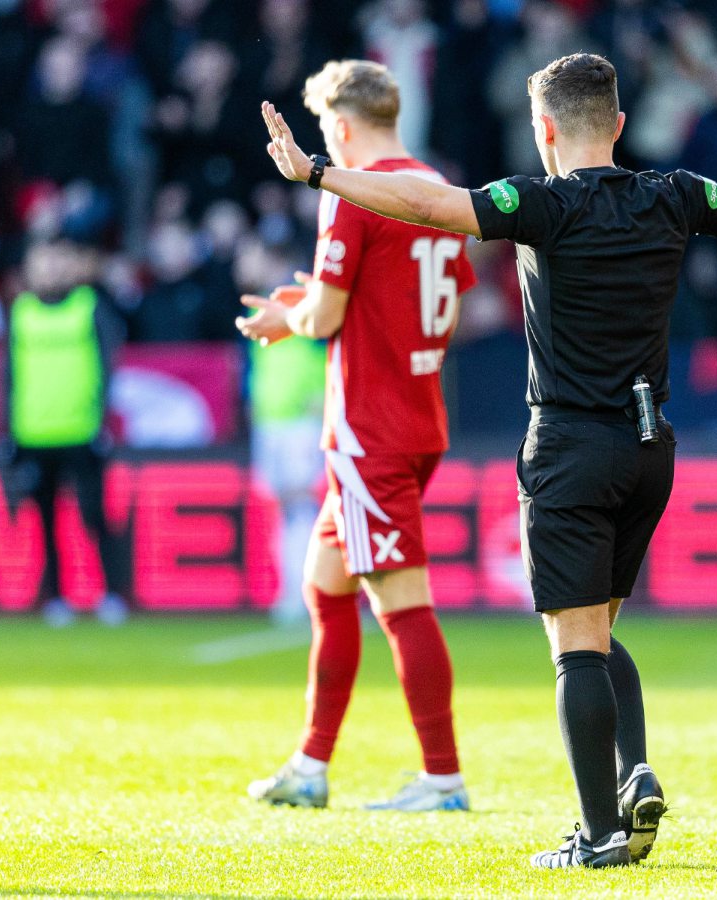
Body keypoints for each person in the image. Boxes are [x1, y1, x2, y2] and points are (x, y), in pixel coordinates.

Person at [254, 52, 717, 867]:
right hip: (649, 447)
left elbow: (426, 203)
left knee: (575, 649)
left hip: (569, 448)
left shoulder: (539, 204)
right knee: (599, 632)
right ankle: (633, 776)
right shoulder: (674, 194)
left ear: (545, 128)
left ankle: (598, 836)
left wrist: (319, 174)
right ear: (621, 125)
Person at [236, 60, 476, 813]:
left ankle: (443, 778)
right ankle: (309, 767)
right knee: (324, 583)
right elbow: (439, 300)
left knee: (402, 600)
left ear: (338, 126)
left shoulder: (348, 191)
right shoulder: (435, 186)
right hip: (420, 415)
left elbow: (328, 316)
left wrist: (290, 315)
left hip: (369, 427)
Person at [3, 239, 127, 627]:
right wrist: (6, 429)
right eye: (43, 263)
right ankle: (56, 597)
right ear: (29, 270)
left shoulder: (89, 306)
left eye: (57, 262)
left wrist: (103, 419)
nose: (51, 270)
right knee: (44, 521)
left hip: (81, 431)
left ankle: (109, 594)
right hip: (34, 433)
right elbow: (5, 376)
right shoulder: (20, 313)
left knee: (94, 516)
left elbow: (109, 364)